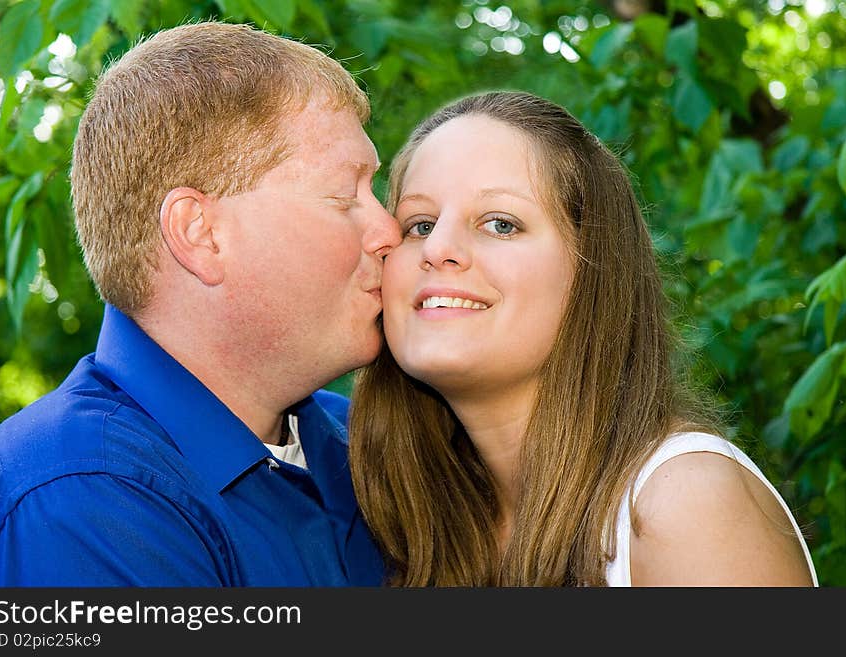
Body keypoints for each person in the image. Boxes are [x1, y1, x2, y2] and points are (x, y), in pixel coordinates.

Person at [0, 21, 399, 586]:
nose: (389, 231)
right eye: (343, 196)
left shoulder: (351, 439)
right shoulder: (84, 500)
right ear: (200, 233)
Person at [347, 90, 819, 587]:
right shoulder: (408, 524)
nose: (438, 247)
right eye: (419, 224)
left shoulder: (682, 502)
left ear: (595, 272)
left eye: (501, 224)